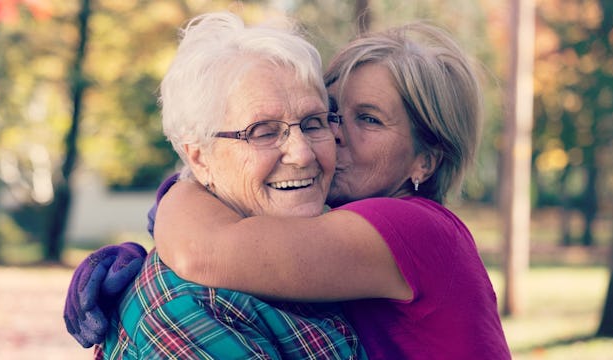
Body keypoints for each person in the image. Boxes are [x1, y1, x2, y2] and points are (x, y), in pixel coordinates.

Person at [66, 18, 512, 359]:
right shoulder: (325, 232)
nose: (329, 137)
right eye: (332, 112)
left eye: (370, 119)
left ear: (426, 160)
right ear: (197, 153)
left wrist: (181, 194)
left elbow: (208, 249)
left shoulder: (410, 227)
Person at [70, 11, 367, 359]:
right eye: (264, 132)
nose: (302, 154)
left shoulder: (339, 243)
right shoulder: (189, 306)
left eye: (313, 122)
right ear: (199, 158)